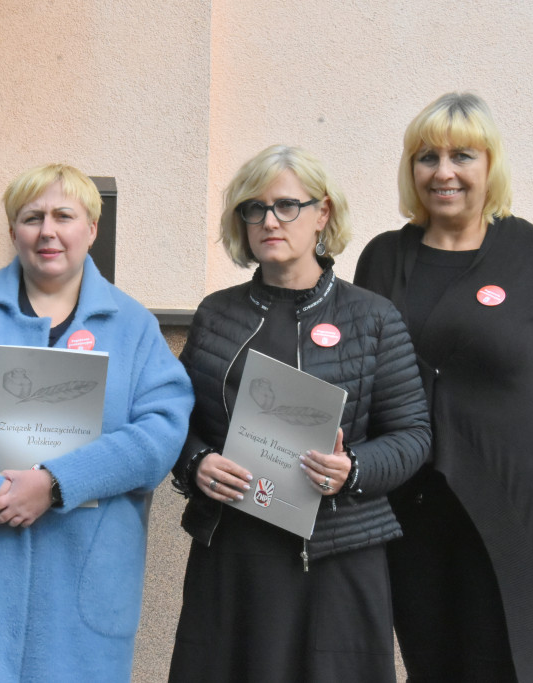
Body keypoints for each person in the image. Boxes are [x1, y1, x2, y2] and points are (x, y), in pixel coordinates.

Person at [0, 163, 193, 681]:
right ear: (12, 231)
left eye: (64, 216)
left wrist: (55, 484)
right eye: (31, 217)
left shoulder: (135, 326)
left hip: (80, 578)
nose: (47, 231)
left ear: (92, 229)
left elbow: (160, 431)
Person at [354, 92, 533, 683]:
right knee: (432, 662)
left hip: (512, 508)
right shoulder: (383, 258)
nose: (443, 172)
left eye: (461, 156)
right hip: (411, 510)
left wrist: (532, 457)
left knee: (506, 663)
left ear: (489, 166)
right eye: (426, 158)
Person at [168, 144, 431, 682]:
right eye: (253, 208)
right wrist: (196, 462)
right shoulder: (217, 315)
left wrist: (353, 468)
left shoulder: (373, 317)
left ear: (323, 214)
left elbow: (412, 434)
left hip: (338, 555)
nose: (269, 221)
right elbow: (173, 421)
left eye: (287, 205)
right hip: (236, 552)